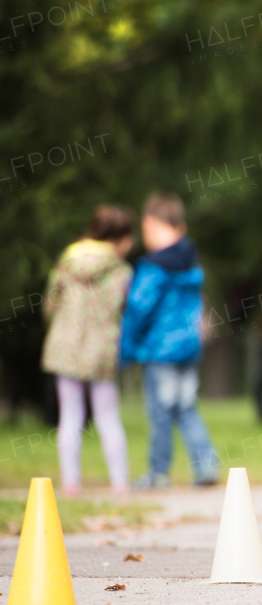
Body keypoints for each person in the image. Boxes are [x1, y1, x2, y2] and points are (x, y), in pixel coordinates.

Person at [120, 192, 220, 488]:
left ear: (155, 223)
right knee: (186, 407)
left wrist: (126, 347)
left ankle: (158, 472)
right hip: (189, 347)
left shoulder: (153, 266)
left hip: (161, 350)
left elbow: (138, 308)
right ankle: (206, 465)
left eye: (148, 230)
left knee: (160, 411)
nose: (146, 237)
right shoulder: (191, 262)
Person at [40, 205, 135, 494]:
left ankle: (71, 483)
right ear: (121, 239)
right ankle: (120, 483)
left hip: (65, 348)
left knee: (70, 415)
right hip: (101, 351)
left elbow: (49, 305)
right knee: (108, 416)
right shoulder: (121, 270)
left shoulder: (67, 262)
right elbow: (126, 310)